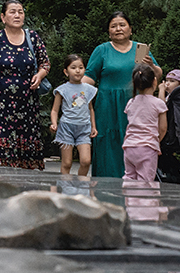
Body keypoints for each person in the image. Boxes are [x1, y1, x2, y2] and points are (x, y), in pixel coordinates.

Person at [83, 11, 162, 178]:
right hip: (107, 105)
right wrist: (74, 92)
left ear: (130, 29)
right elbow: (89, 78)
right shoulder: (102, 50)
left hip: (135, 105)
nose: (118, 29)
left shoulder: (140, 49)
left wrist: (151, 66)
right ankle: (105, 187)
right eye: (113, 26)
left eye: (122, 25)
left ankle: (133, 186)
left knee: (134, 141)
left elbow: (157, 75)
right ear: (108, 31)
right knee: (106, 143)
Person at [0, 0, 50, 169]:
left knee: (27, 154)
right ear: (3, 17)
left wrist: (40, 75)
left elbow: (45, 63)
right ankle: (1, 184)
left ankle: (26, 184)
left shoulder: (32, 38)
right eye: (12, 12)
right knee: (1, 153)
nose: (17, 15)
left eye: (20, 12)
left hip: (27, 106)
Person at [50, 54, 98, 176]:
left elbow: (90, 109)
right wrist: (54, 123)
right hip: (66, 128)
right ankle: (66, 186)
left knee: (86, 161)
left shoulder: (88, 89)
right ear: (66, 72)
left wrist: (93, 127)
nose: (77, 70)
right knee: (67, 163)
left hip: (84, 128)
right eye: (73, 67)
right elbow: (55, 110)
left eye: (81, 67)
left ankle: (81, 185)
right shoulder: (62, 90)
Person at [122, 63, 167, 184]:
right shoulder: (159, 104)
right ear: (154, 81)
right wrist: (156, 141)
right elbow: (163, 128)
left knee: (129, 177)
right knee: (145, 182)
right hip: (147, 147)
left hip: (129, 146)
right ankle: (143, 198)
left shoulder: (131, 102)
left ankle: (128, 196)